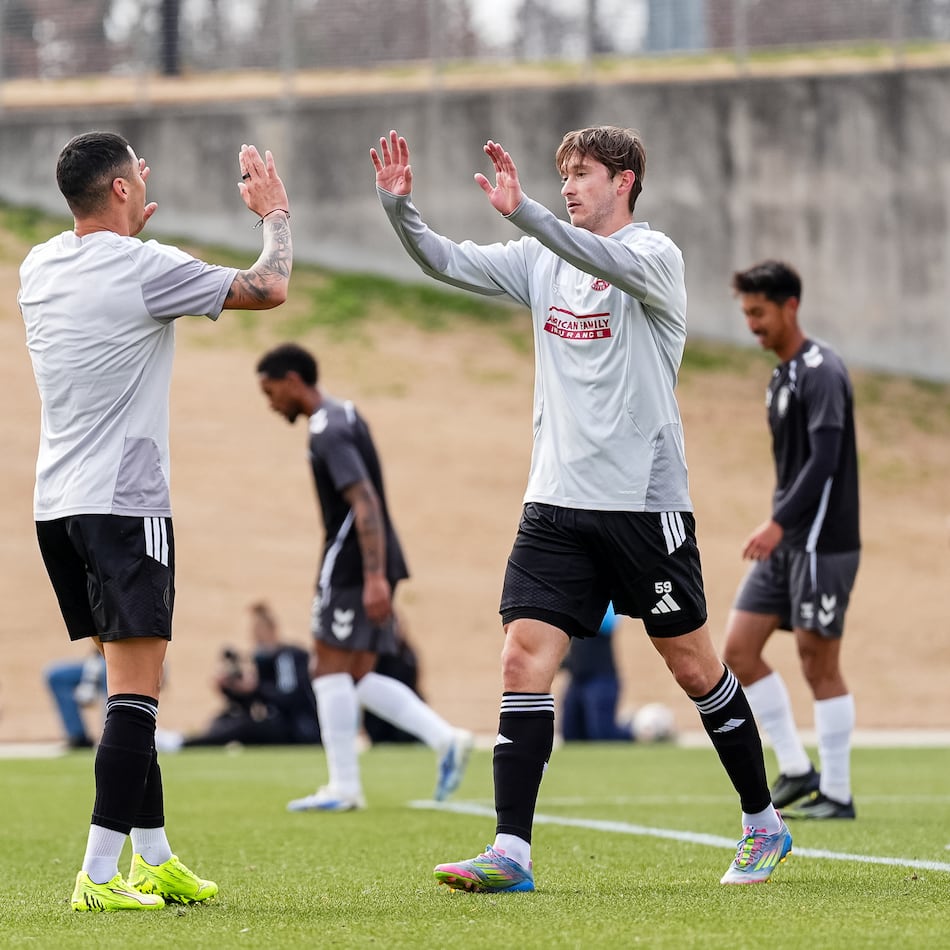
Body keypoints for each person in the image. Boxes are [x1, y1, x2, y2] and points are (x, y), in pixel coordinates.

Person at [371, 126, 789, 891]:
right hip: (555, 503)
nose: (568, 185)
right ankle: (511, 852)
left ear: (624, 181)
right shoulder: (541, 257)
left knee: (693, 666)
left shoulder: (655, 258)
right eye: (562, 174)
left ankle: (763, 822)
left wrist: (527, 212)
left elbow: (597, 256)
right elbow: (448, 261)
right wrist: (401, 210)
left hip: (642, 506)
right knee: (521, 657)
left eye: (583, 173)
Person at [18, 130, 292, 911]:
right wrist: (274, 215)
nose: (148, 174)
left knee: (124, 688)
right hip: (126, 506)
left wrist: (135, 234)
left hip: (58, 509)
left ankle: (155, 857)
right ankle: (99, 877)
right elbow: (268, 289)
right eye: (140, 168)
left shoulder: (37, 268)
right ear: (119, 190)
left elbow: (104, 294)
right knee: (138, 696)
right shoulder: (147, 267)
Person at [255, 342, 474, 812]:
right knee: (355, 674)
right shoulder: (348, 413)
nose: (271, 404)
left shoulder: (326, 430)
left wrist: (373, 576)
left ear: (294, 381)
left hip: (354, 564)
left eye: (271, 392)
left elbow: (365, 501)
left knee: (327, 670)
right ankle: (445, 738)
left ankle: (344, 788)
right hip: (374, 560)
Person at [722, 260, 860, 820]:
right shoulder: (781, 376)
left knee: (817, 662)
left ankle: (839, 792)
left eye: (759, 313)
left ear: (789, 307)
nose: (752, 324)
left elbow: (826, 460)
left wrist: (778, 522)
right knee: (737, 651)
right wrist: (780, 526)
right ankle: (797, 770)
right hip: (787, 541)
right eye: (747, 314)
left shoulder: (822, 370)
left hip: (823, 540)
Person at [180, 601, 320, 748]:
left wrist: (255, 688)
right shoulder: (261, 659)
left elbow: (289, 698)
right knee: (223, 720)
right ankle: (186, 741)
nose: (255, 636)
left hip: (299, 728)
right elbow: (252, 702)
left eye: (259, 630)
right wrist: (230, 689)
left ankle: (184, 744)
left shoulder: (288, 657)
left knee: (245, 727)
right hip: (277, 721)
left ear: (271, 629)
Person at [560, 603, 634, 742]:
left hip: (601, 679)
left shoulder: (602, 607)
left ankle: (640, 733)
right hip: (577, 680)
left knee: (602, 734)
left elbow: (609, 623)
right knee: (570, 734)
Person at [44, 651, 106, 749]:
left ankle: (111, 737)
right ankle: (78, 738)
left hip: (123, 663)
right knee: (57, 676)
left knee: (106, 668)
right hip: (99, 660)